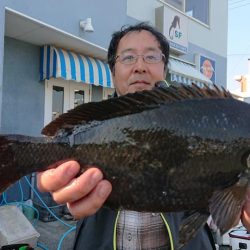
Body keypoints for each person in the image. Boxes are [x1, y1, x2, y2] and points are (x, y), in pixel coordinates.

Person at [37, 23, 250, 249]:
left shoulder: (192, 115)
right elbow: (49, 168)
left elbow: (220, 215)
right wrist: (53, 179)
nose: (139, 66)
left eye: (151, 57)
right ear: (112, 71)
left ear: (164, 68)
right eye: (128, 58)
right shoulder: (91, 125)